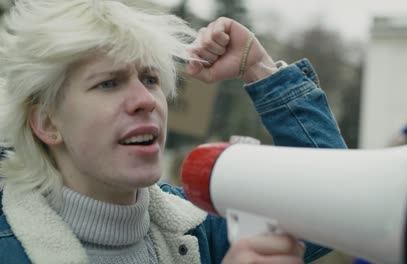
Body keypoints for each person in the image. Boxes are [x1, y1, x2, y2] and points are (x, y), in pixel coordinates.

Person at [0, 0, 346, 263]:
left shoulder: (204, 227)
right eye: (108, 84)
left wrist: (258, 68)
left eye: (150, 79)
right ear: (47, 123)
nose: (145, 100)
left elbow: (335, 206)